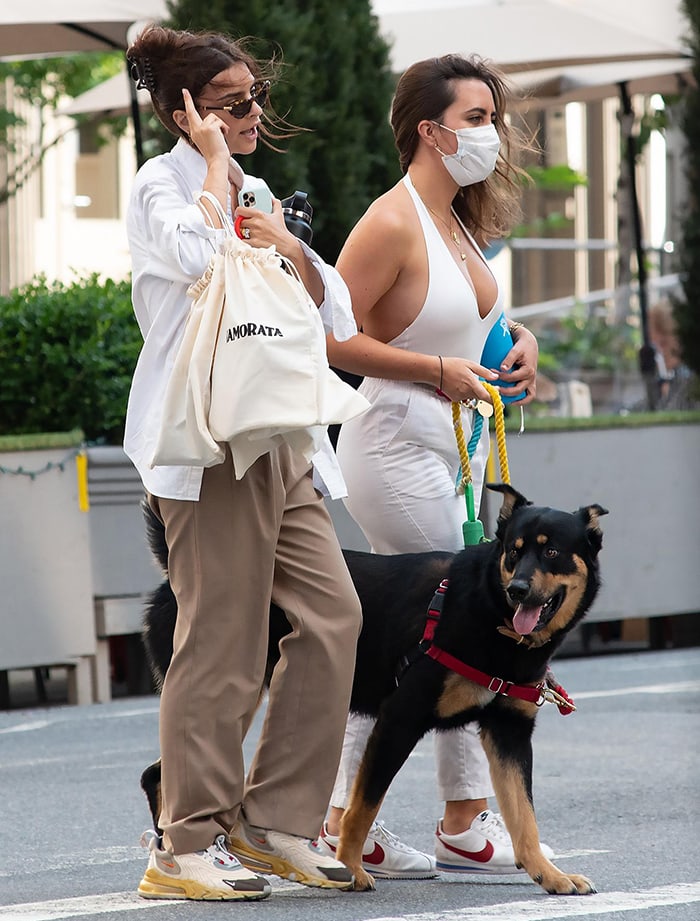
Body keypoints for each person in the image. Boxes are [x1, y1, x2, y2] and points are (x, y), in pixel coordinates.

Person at [124, 25, 362, 901]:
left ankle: (276, 820)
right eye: (231, 105)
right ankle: (182, 842)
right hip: (204, 441)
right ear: (184, 113)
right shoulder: (161, 186)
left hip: (277, 433)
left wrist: (287, 243)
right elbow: (193, 257)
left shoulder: (255, 187)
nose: (253, 114)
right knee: (220, 641)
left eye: (252, 98)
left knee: (335, 615)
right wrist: (217, 170)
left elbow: (330, 305)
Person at [316, 54, 548, 878]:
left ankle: (450, 818)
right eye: (478, 118)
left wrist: (515, 344)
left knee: (441, 632)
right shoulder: (391, 219)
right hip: (396, 443)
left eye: (494, 117)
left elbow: (468, 320)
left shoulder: (456, 219)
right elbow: (330, 334)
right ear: (430, 129)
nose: (494, 133)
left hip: (455, 447)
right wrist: (434, 372)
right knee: (455, 627)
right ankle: (364, 817)